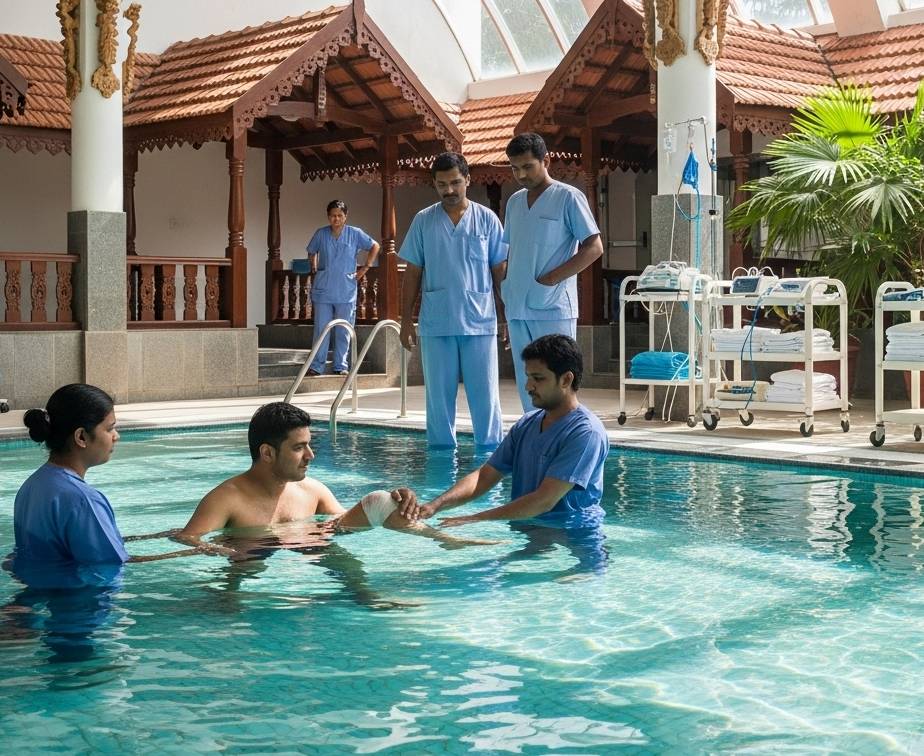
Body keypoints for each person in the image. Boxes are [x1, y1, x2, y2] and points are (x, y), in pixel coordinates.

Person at [174, 402, 500, 552]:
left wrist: (394, 505)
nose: (310, 456)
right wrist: (224, 550)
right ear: (268, 452)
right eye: (299, 448)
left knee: (378, 500)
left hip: (310, 547)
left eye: (309, 445)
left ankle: (445, 543)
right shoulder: (227, 498)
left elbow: (345, 524)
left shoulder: (311, 490)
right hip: (250, 557)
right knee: (251, 554)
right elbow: (188, 538)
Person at [407, 336, 609, 576]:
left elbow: (543, 500)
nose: (528, 386)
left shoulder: (585, 433)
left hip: (575, 539)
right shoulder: (527, 424)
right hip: (531, 530)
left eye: (538, 378)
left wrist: (475, 519)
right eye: (528, 377)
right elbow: (485, 475)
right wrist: (434, 506)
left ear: (566, 379)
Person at [9, 383, 209, 580]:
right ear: (81, 437)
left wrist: (153, 536)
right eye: (109, 429)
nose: (116, 436)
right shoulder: (83, 500)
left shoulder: (32, 485)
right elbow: (112, 564)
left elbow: (63, 549)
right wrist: (195, 552)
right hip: (81, 606)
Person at [398, 152, 508, 449]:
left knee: (485, 398)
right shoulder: (424, 221)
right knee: (438, 402)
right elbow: (413, 272)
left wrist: (505, 316)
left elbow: (500, 271)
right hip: (437, 323)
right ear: (434, 184)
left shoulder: (487, 219)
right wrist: (406, 320)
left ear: (467, 180)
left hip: (479, 321)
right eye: (442, 184)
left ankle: (489, 457)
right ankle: (441, 462)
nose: (449, 190)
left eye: (455, 183)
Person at [501, 133, 604, 411]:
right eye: (515, 168)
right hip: (517, 306)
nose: (521, 174)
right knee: (529, 385)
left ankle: (562, 439)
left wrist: (550, 279)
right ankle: (534, 441)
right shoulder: (513, 203)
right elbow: (514, 252)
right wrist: (509, 304)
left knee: (557, 382)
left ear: (546, 160)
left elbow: (594, 247)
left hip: (552, 305)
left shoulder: (568, 197)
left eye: (527, 166)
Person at [306, 200, 381, 376]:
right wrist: (314, 267)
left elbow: (375, 246)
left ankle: (341, 365)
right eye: (333, 215)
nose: (336, 219)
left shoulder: (355, 233)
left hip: (346, 289)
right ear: (328, 216)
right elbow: (311, 252)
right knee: (321, 329)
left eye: (340, 215)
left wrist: (366, 267)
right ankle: (316, 366)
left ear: (346, 216)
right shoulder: (321, 234)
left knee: (344, 328)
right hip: (324, 288)